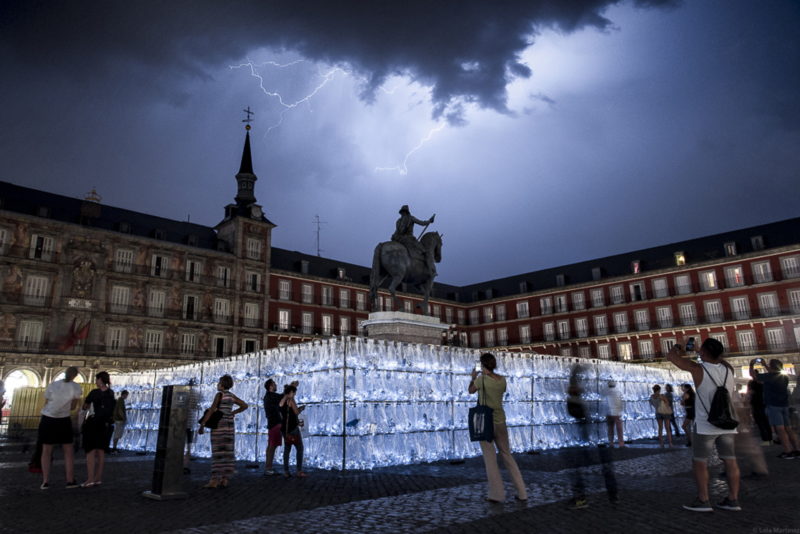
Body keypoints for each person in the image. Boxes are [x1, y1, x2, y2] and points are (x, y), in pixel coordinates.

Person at [666, 338, 741, 512]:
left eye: (702, 351)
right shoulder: (729, 369)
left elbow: (671, 356)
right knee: (730, 461)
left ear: (704, 353)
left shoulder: (698, 369)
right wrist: (705, 351)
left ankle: (703, 500)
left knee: (700, 462)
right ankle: (733, 499)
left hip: (705, 425)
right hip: (728, 424)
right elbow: (719, 359)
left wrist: (680, 346)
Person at [468, 352, 527, 503]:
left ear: (482, 366)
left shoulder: (481, 380)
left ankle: (497, 494)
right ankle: (522, 492)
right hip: (500, 421)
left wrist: (473, 377)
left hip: (485, 421)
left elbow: (471, 390)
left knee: (490, 459)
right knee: (507, 455)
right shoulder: (502, 380)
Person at [567, 365, 618, 509]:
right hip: (598, 435)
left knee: (577, 467)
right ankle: (613, 495)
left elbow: (577, 406)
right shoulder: (600, 391)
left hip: (587, 435)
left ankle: (581, 499)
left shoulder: (581, 395)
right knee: (605, 466)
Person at [198, 375, 248, 488]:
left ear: (222, 384)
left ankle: (214, 480)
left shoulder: (219, 395)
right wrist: (233, 413)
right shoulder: (231, 396)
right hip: (229, 425)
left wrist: (203, 424)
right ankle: (225, 478)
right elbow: (245, 405)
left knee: (218, 451)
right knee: (227, 451)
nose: (217, 384)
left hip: (219, 425)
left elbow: (211, 410)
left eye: (219, 382)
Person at [38, 367, 82, 489]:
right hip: (63, 420)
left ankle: (45, 481)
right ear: (75, 376)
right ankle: (70, 480)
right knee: (68, 451)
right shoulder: (76, 387)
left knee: (46, 450)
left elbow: (46, 402)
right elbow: (73, 407)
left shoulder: (53, 385)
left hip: (48, 418)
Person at [749, 358, 800, 458]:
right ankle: (797, 449)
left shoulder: (769, 376)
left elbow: (753, 375)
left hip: (774, 406)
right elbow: (773, 373)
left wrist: (751, 364)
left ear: (771, 367)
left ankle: (787, 451)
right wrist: (765, 365)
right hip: (784, 405)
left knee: (780, 429)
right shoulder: (784, 377)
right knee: (788, 429)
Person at [81, 371, 116, 487]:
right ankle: (98, 478)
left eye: (97, 380)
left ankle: (90, 478)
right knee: (101, 452)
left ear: (101, 380)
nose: (96, 382)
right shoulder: (111, 393)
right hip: (105, 425)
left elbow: (85, 406)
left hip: (93, 423)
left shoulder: (94, 393)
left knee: (90, 451)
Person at [263, 378, 297, 476]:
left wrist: (289, 388)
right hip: (275, 423)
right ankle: (268, 469)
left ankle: (268, 467)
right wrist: (292, 387)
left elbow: (282, 396)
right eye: (274, 384)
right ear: (270, 386)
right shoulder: (270, 396)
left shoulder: (269, 396)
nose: (276, 385)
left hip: (272, 423)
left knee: (270, 446)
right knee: (272, 446)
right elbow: (283, 397)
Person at [391, 205, 436, 276]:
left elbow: (397, 232)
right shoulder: (411, 218)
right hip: (409, 239)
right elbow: (422, 223)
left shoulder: (398, 221)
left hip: (398, 240)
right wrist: (429, 221)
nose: (403, 213)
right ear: (407, 212)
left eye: (403, 212)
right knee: (424, 251)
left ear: (402, 212)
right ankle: (431, 270)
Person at [279, 384, 307, 478]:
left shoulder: (282, 400)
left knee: (287, 450)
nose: (294, 394)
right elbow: (296, 412)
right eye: (294, 393)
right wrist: (301, 408)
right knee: (300, 448)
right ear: (291, 392)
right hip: (292, 428)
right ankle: (299, 471)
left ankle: (286, 471)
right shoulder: (290, 400)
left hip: (284, 429)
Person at [747, 379, 772, 445]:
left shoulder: (753, 390)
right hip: (764, 406)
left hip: (757, 407)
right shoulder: (763, 385)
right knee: (766, 423)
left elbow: (749, 396)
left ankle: (765, 440)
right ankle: (770, 439)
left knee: (761, 424)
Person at [604, 381, 624, 447]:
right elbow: (620, 402)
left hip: (608, 412)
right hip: (616, 412)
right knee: (619, 429)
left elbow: (604, 402)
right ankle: (621, 444)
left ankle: (611, 443)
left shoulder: (606, 391)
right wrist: (620, 410)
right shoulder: (618, 391)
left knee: (610, 428)